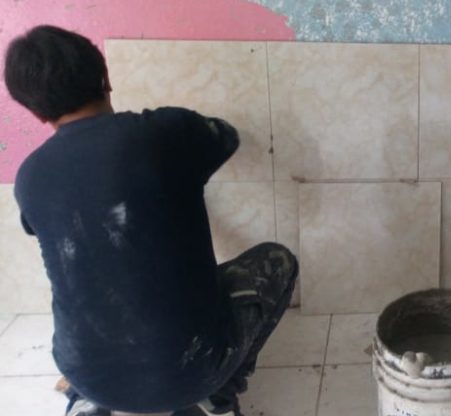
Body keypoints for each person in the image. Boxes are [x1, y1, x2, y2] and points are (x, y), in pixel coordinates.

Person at [4, 25, 298, 416]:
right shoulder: (165, 133)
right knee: (277, 261)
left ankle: (88, 398)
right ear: (105, 77)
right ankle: (218, 394)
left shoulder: (30, 176)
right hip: (191, 369)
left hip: (86, 371)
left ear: (36, 112)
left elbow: (44, 226)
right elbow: (225, 137)